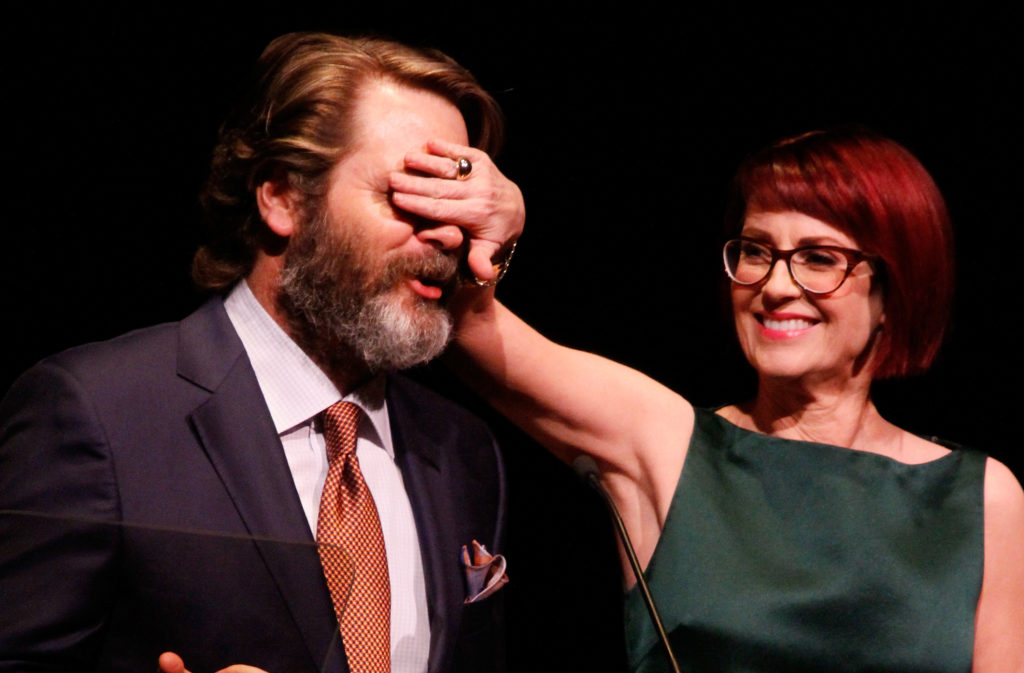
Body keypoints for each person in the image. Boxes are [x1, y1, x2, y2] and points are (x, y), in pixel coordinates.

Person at [393, 127, 1024, 671]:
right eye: (756, 251)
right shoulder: (666, 442)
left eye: (818, 258)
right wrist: (493, 225)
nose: (776, 286)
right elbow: (471, 326)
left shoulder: (981, 497)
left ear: (893, 290)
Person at [0, 32, 523, 673]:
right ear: (283, 197)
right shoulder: (97, 414)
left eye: (461, 206)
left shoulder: (462, 450)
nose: (446, 231)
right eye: (409, 195)